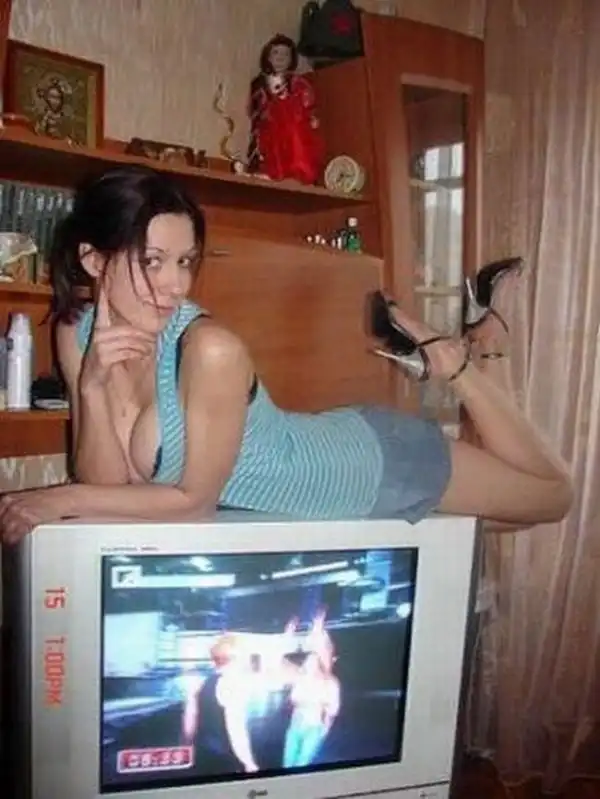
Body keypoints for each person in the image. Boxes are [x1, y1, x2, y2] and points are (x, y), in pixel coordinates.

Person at [0, 165, 573, 542]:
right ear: (94, 260)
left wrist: (55, 499)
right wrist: (93, 386)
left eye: (185, 261)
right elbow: (107, 485)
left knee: (551, 499)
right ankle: (459, 353)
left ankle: (460, 359)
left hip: (365, 470)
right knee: (471, 533)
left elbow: (194, 504)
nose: (175, 285)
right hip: (312, 515)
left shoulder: (210, 349)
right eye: (153, 261)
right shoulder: (77, 333)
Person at [246, 34, 324, 184]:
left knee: (295, 136)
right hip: (268, 126)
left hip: (291, 125)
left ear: (291, 59)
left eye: (286, 54)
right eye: (276, 53)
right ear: (268, 56)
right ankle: (269, 172)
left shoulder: (298, 82)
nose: (280, 58)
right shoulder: (259, 83)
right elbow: (255, 108)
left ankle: (297, 173)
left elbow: (307, 104)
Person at [181, 634, 258, 774]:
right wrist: (249, 763)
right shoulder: (231, 685)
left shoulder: (202, 683)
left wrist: (189, 745)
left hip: (203, 754)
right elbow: (236, 730)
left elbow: (189, 724)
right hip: (226, 758)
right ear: (235, 657)